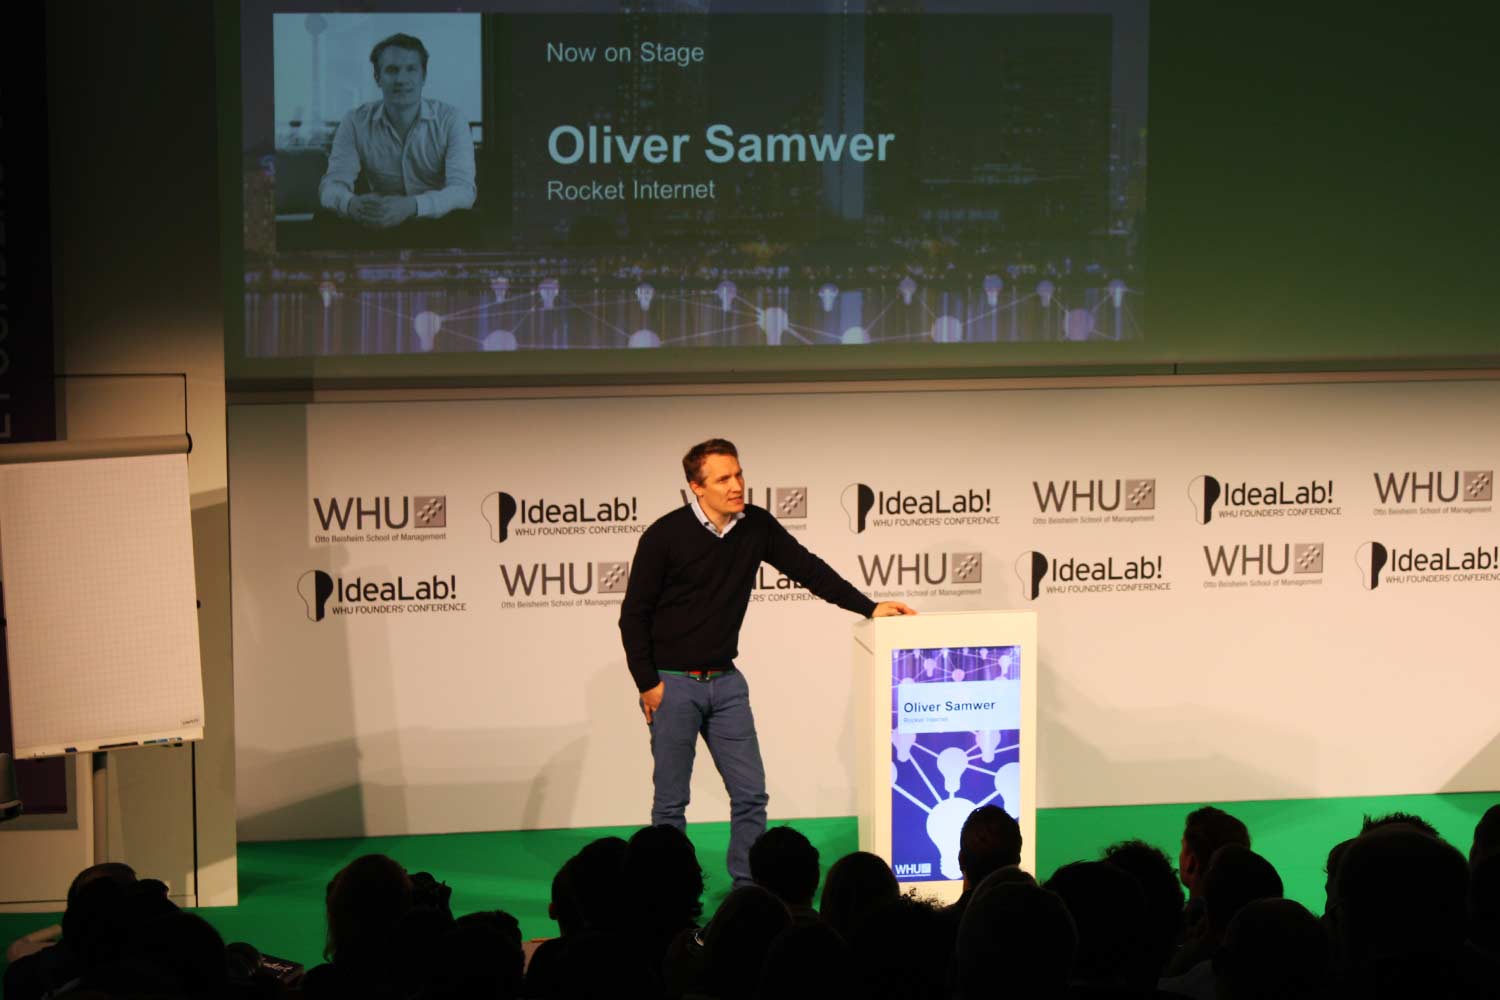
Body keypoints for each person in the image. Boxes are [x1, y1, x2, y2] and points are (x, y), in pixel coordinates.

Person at [619, 439, 914, 885]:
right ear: (696, 487)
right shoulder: (664, 536)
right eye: (723, 478)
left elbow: (809, 570)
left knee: (751, 796)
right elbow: (634, 615)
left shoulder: (756, 525)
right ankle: (669, 893)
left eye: (738, 474)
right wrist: (648, 683)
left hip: (727, 684)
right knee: (671, 805)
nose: (736, 485)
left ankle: (747, 889)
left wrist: (868, 607)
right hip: (673, 684)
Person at [318, 33, 476, 230]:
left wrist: (411, 206)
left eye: (411, 69)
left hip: (436, 223)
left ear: (423, 76)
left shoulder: (451, 119)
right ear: (377, 78)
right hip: (379, 220)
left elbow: (463, 191)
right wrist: (351, 204)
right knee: (326, 218)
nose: (401, 79)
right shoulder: (354, 121)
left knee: (467, 222)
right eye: (392, 70)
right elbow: (331, 185)